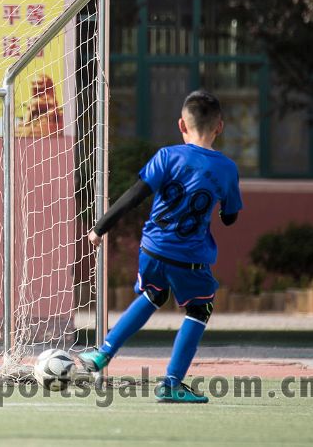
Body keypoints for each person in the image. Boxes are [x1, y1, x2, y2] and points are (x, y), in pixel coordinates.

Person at [78, 90, 243, 403]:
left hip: (152, 248)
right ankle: (171, 383)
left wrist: (100, 228)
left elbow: (135, 195)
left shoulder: (167, 156)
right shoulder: (226, 168)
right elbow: (230, 217)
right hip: (189, 257)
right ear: (220, 127)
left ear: (181, 124)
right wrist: (223, 210)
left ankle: (103, 353)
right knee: (200, 308)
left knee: (152, 294)